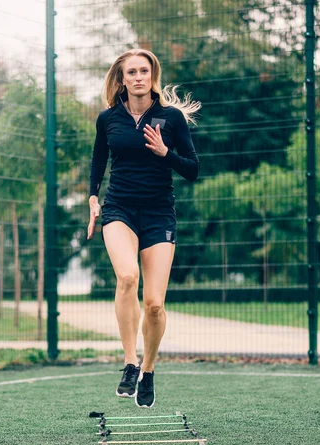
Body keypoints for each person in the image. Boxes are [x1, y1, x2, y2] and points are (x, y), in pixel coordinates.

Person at [87, 48, 200, 408]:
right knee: (126, 277)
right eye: (131, 72)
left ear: (153, 75)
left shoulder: (171, 118)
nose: (138, 77)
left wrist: (166, 153)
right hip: (119, 208)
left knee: (153, 304)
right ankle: (130, 362)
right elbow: (97, 163)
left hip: (158, 213)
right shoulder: (108, 119)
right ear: (122, 79)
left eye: (144, 71)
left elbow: (193, 170)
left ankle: (149, 369)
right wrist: (92, 198)